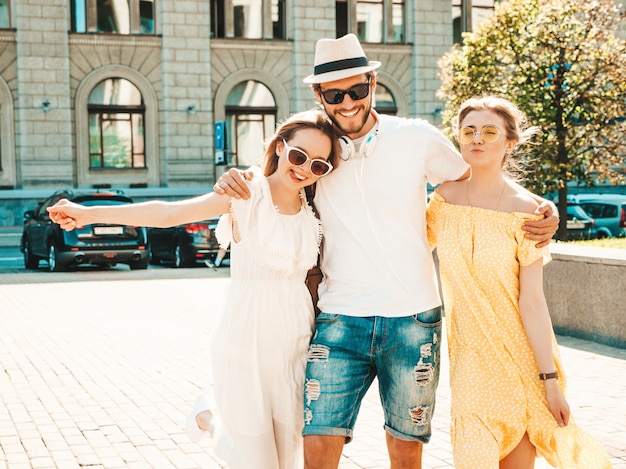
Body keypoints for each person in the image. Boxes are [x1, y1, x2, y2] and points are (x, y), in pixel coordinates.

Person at [215, 34, 559, 469]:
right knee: (318, 446)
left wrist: (543, 207)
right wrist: (236, 179)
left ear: (372, 84)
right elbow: (280, 173)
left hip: (413, 320)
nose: (347, 102)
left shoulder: (416, 137)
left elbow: (480, 180)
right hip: (340, 320)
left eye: (357, 90)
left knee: (405, 449)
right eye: (335, 93)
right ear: (319, 95)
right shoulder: (317, 153)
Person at [47, 109, 340, 469]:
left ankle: (212, 416)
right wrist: (89, 214)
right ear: (279, 148)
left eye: (318, 166)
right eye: (299, 156)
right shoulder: (247, 193)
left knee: (288, 454)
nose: (305, 168)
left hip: (297, 342)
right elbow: (169, 213)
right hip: (246, 339)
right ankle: (212, 416)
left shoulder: (313, 207)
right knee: (258, 461)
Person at [426, 95, 611, 469]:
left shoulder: (529, 212)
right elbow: (405, 248)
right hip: (470, 366)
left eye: (489, 131)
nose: (477, 138)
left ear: (509, 142)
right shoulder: (442, 201)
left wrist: (550, 381)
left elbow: (534, 303)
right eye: (469, 131)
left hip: (522, 365)